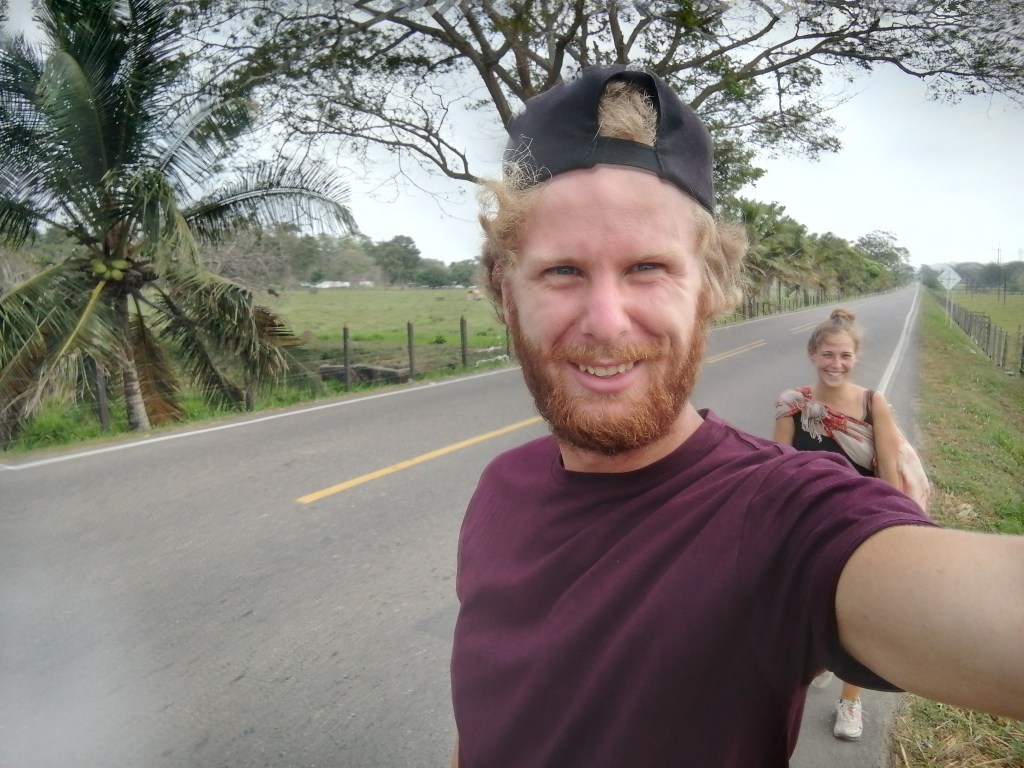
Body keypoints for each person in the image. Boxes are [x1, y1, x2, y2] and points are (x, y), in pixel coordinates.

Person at [449, 64, 1024, 768]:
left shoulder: (784, 519)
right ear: (505, 293)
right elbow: (488, 715)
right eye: (562, 270)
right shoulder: (500, 487)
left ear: (711, 289)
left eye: (647, 268)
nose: (606, 320)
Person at [772, 308, 903, 741]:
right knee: (811, 606)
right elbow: (779, 470)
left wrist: (893, 528)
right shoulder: (793, 404)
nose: (836, 363)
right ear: (813, 354)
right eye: (828, 354)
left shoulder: (872, 403)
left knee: (860, 617)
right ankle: (823, 657)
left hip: (861, 525)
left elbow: (887, 471)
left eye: (845, 355)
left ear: (855, 357)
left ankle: (851, 701)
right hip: (809, 524)